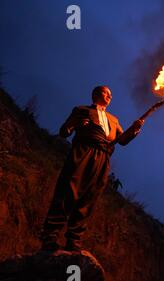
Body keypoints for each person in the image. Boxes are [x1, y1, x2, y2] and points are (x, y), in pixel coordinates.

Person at [40, 86, 144, 251]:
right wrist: (75, 123)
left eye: (111, 93)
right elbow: (64, 131)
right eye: (105, 92)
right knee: (68, 191)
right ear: (95, 94)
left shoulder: (113, 119)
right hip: (83, 152)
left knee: (89, 197)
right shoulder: (81, 110)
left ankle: (74, 240)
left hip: (103, 158)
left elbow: (122, 140)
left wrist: (135, 128)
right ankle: (50, 237)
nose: (110, 94)